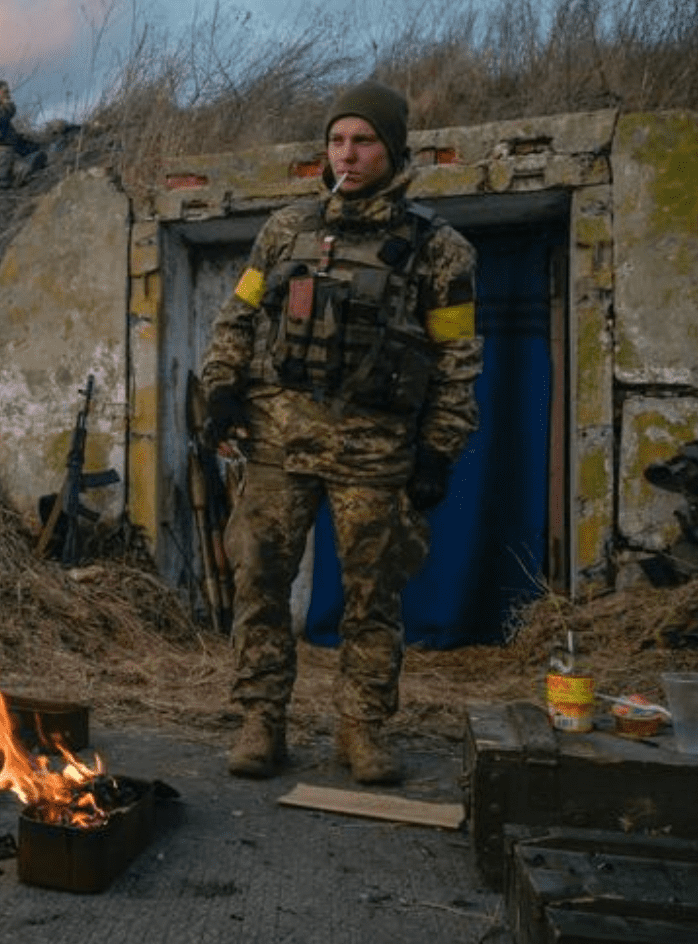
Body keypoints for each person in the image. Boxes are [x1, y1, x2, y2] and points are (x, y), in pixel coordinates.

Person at [199, 79, 482, 784]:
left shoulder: (439, 249)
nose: (347, 155)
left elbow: (457, 362)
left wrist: (440, 449)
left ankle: (361, 730)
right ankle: (262, 722)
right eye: (336, 140)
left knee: (373, 598)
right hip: (277, 441)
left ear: (392, 149)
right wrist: (222, 391)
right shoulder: (285, 229)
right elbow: (238, 318)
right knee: (260, 584)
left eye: (363, 141)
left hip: (375, 450)